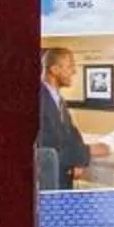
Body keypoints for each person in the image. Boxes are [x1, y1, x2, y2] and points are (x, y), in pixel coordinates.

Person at [36, 48, 92, 192]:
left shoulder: (59, 99)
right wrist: (87, 152)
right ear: (54, 69)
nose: (74, 71)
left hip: (63, 177)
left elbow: (71, 132)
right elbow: (49, 144)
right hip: (48, 183)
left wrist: (80, 159)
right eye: (70, 66)